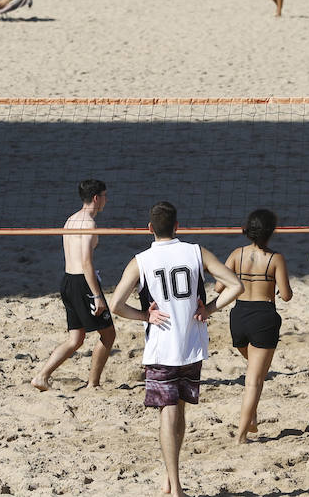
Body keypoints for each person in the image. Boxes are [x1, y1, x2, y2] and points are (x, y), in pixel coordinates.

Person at [110, 201, 244, 497]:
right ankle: (173, 482)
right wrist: (209, 309)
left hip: (161, 347)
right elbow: (235, 285)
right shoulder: (196, 251)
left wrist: (145, 315)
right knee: (178, 410)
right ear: (177, 226)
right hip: (192, 345)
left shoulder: (141, 260)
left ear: (149, 229)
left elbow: (115, 305)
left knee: (169, 413)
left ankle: (174, 486)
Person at [31, 179, 116, 391]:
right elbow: (86, 261)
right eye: (105, 195)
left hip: (68, 280)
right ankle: (93, 384)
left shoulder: (70, 220)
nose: (107, 199)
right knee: (108, 334)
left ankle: (42, 376)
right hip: (83, 283)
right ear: (96, 198)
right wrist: (96, 295)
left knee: (75, 339)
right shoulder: (88, 223)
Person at [215, 209, 292, 443]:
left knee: (254, 373)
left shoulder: (236, 254)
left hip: (238, 316)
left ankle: (253, 417)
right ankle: (241, 435)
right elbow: (286, 295)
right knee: (254, 380)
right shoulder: (274, 258)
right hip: (263, 316)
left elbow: (219, 287)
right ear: (271, 232)